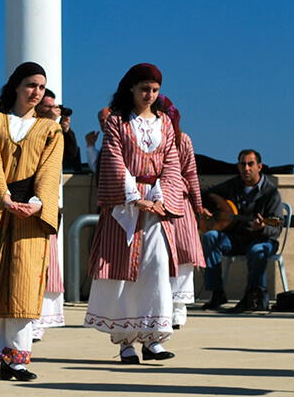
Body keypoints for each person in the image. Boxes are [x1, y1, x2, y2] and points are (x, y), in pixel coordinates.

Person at [0, 62, 63, 381]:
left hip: (31, 212)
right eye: (31, 85)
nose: (36, 92)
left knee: (23, 281)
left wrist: (36, 203)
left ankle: (18, 358)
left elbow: (49, 171)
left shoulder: (51, 129)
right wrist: (3, 197)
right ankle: (3, 352)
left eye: (42, 87)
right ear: (16, 86)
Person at [84, 63, 184, 364]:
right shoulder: (117, 121)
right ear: (131, 88)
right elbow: (113, 159)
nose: (150, 95)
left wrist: (160, 197)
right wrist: (133, 197)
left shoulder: (165, 123)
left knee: (155, 266)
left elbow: (171, 162)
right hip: (124, 209)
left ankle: (153, 337)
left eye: (154, 90)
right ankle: (125, 341)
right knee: (124, 271)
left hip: (156, 205)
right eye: (144, 89)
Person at [200, 149, 284, 312]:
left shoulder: (271, 193)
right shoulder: (233, 185)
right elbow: (205, 193)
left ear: (259, 167)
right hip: (236, 239)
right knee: (210, 237)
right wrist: (201, 208)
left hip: (262, 240)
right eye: (243, 164)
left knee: (257, 250)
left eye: (250, 164)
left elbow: (277, 228)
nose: (246, 168)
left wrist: (262, 228)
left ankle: (254, 297)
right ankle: (217, 293)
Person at [156, 95, 205, 329]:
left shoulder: (183, 140)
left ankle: (178, 310)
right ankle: (161, 308)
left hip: (180, 204)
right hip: (155, 203)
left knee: (184, 254)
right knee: (159, 255)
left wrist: (197, 206)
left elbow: (191, 174)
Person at [85, 107, 111, 174]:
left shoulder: (125, 138)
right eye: (102, 120)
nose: (105, 122)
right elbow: (97, 168)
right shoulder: (106, 144)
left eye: (108, 119)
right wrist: (90, 146)